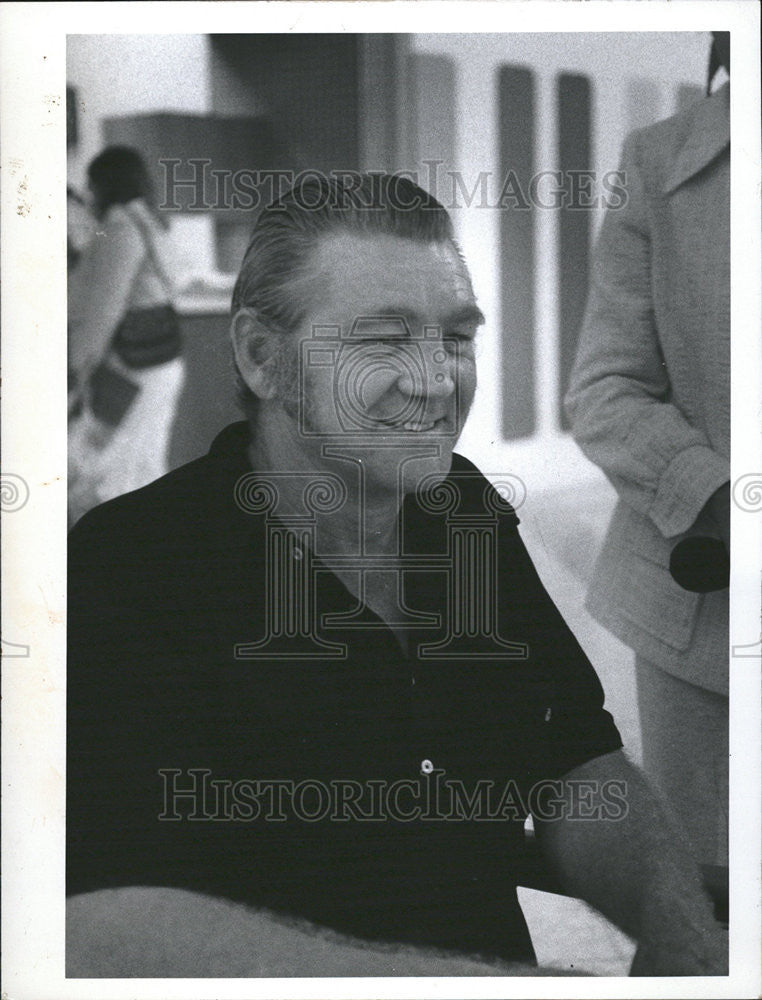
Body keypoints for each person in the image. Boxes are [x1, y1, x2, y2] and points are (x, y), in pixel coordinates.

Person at [67, 174, 726, 976]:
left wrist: (681, 933)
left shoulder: (465, 511)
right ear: (261, 357)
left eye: (456, 338)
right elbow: (96, 919)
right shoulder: (135, 568)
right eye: (382, 340)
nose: (437, 379)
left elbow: (572, 763)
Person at [565, 38, 730, 869]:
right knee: (714, 900)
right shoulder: (660, 164)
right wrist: (722, 500)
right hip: (708, 613)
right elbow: (604, 390)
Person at [68, 145, 185, 528]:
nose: (88, 192)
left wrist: (75, 369)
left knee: (117, 472)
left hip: (132, 367)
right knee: (137, 464)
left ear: (106, 184)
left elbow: (106, 306)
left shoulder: (120, 226)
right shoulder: (145, 218)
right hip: (154, 362)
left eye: (92, 183)